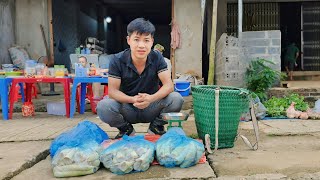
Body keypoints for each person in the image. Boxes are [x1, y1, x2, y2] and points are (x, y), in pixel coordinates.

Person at [96, 18, 184, 139]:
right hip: (128, 107)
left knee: (176, 98)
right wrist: (132, 99)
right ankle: (125, 129)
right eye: (136, 40)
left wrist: (150, 98)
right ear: (128, 40)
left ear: (152, 42)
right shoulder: (117, 60)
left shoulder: (157, 58)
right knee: (103, 106)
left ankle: (156, 126)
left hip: (152, 106)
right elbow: (112, 92)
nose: (141, 45)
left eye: (146, 40)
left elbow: (168, 85)